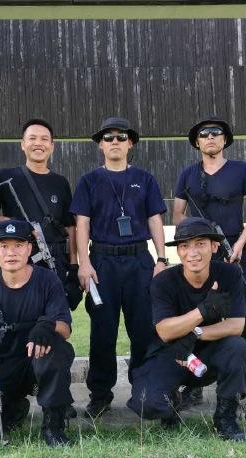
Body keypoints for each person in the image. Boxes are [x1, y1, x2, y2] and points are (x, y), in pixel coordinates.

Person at [172, 116, 246, 415]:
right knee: (197, 318)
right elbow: (177, 214)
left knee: (243, 320)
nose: (210, 137)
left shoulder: (241, 170)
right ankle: (193, 386)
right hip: (201, 255)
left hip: (234, 253)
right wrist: (198, 237)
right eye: (204, 134)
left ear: (225, 140)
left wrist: (239, 243)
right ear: (197, 142)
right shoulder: (187, 175)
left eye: (216, 133)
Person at [70, 116, 168, 418]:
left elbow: (154, 219)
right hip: (102, 262)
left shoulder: (145, 179)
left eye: (121, 137)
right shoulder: (89, 181)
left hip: (139, 261)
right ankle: (100, 395)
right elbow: (82, 223)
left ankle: (144, 390)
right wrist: (84, 263)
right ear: (100, 145)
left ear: (130, 143)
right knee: (103, 332)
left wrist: (161, 259)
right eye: (109, 137)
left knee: (144, 330)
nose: (115, 142)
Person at [0, 220, 75, 446]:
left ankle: (53, 425)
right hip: (1, 365)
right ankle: (14, 409)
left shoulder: (47, 280)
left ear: (29, 248)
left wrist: (48, 326)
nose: (11, 253)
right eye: (4, 246)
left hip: (36, 359)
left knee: (58, 350)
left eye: (18, 245)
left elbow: (65, 328)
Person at [127, 217, 246, 441]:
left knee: (238, 347)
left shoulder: (230, 274)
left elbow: (237, 325)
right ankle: (171, 404)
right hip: (171, 353)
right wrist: (203, 311)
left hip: (209, 352)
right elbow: (165, 331)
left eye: (200, 244)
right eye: (184, 246)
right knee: (146, 403)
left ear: (214, 247)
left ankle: (226, 417)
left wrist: (196, 334)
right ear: (178, 251)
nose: (192, 253)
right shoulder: (163, 281)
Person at [0, 118, 82, 310]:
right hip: (18, 260)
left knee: (55, 316)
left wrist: (74, 264)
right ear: (23, 144)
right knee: (18, 314)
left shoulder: (60, 182)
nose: (38, 143)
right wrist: (13, 223)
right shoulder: (4, 177)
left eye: (44, 139)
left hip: (56, 261)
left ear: (52, 146)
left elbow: (70, 225)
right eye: (32, 138)